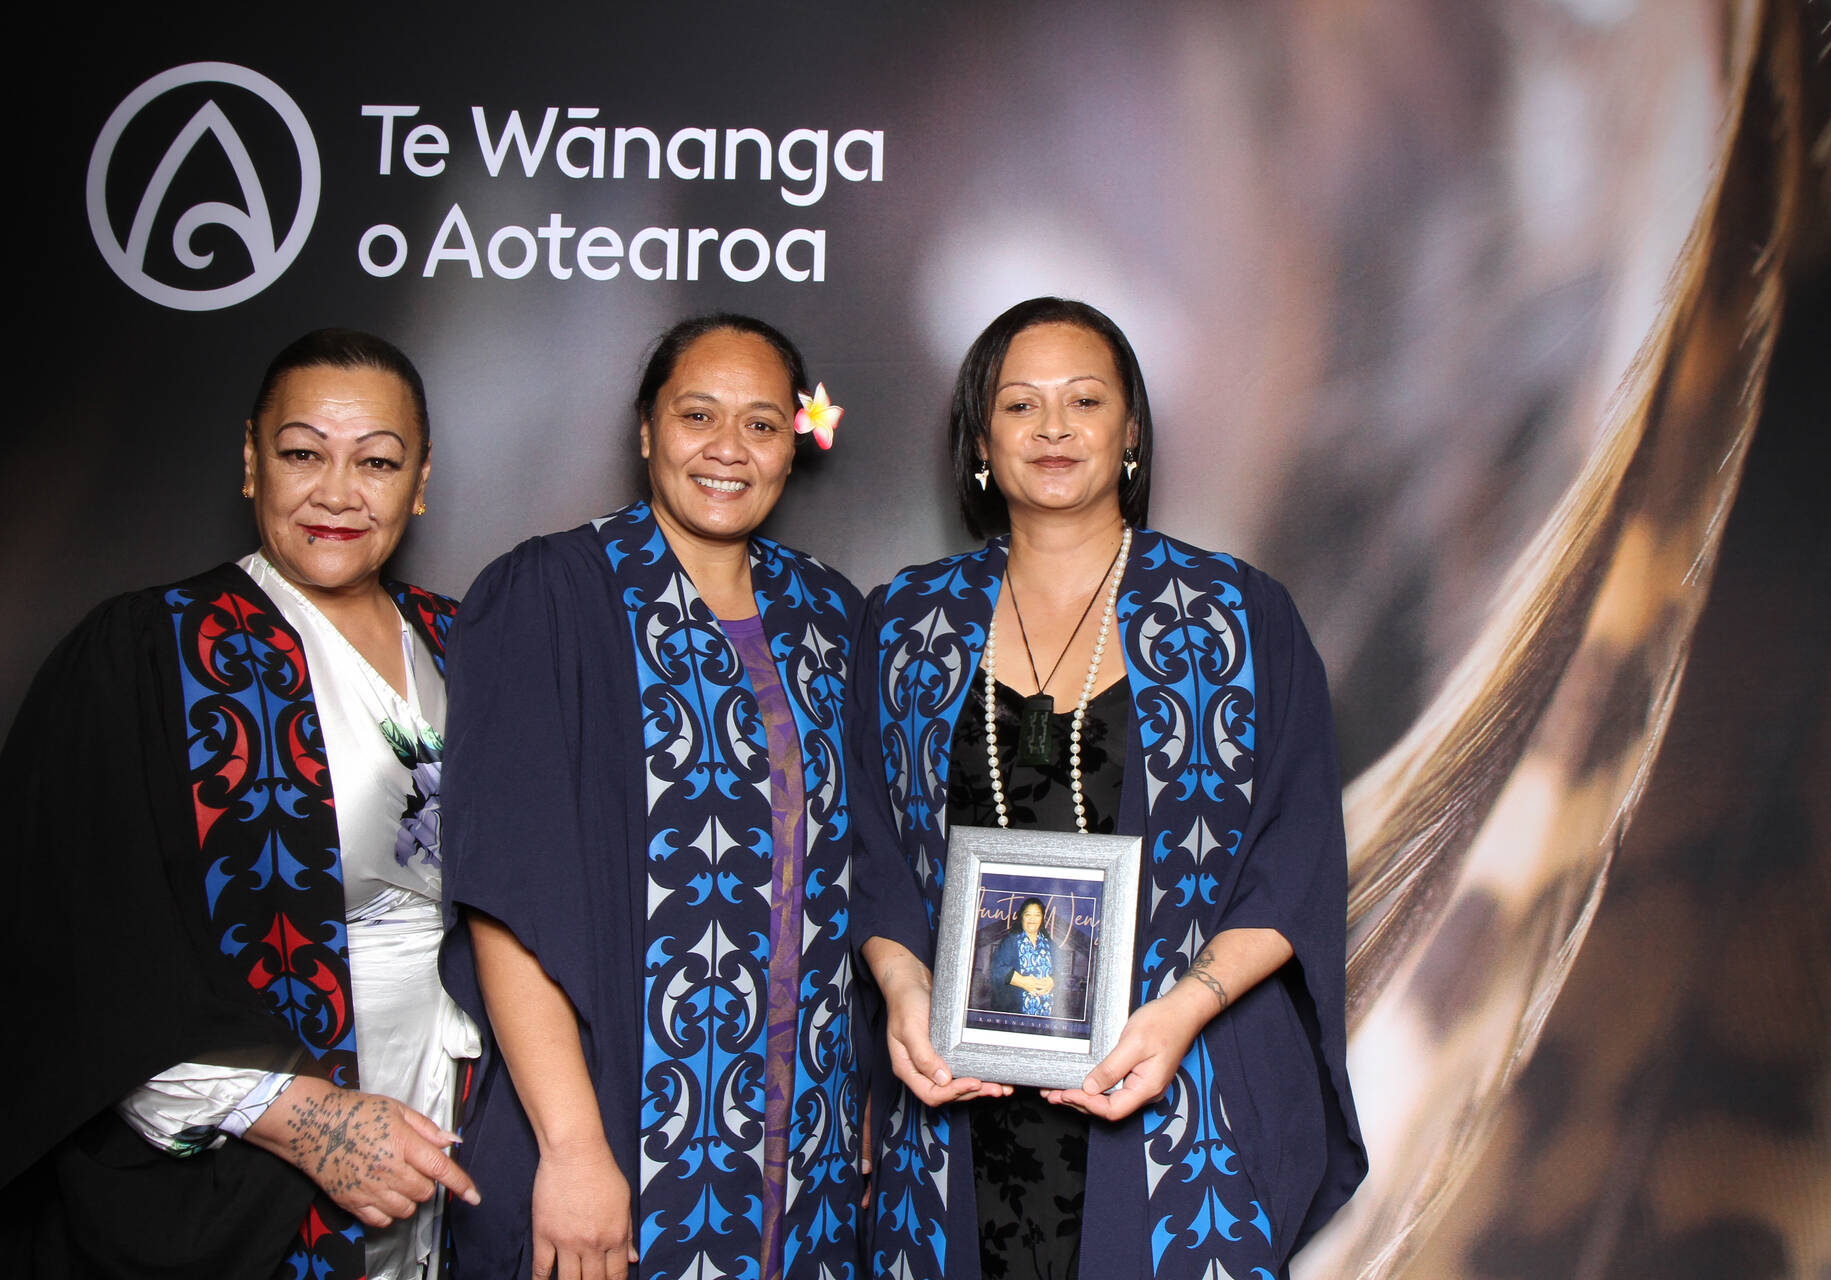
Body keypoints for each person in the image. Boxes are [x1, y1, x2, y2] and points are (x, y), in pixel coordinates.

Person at [853, 297, 1367, 1279]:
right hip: (957, 1119)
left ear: (1130, 430)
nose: (1053, 427)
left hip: (1174, 1101)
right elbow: (872, 851)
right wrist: (904, 986)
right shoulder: (908, 623)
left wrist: (1182, 1013)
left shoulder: (1235, 618)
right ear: (979, 439)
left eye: (1084, 400)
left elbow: (1295, 856)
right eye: (1020, 404)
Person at [0, 329, 482, 1280]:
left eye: (376, 462)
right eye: (303, 453)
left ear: (420, 482)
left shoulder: (469, 643)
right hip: (256, 1164)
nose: (337, 494)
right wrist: (299, 1118)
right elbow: (66, 951)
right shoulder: (153, 651)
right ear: (252, 462)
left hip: (458, 1119)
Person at [440, 314, 866, 1280]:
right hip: (611, 1133)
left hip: (809, 1149)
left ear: (794, 443)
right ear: (646, 430)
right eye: (697, 415)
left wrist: (865, 1095)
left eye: (762, 424)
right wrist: (572, 1148)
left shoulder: (831, 617)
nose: (728, 449)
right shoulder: (551, 594)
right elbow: (505, 895)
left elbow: (857, 881)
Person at [986, 898, 1057, 1015]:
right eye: (1028, 915)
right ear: (1021, 917)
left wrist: (1052, 980)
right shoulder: (1010, 941)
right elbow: (996, 969)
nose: (1032, 919)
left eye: (1037, 915)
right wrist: (1021, 981)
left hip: (1046, 1011)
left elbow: (1059, 971)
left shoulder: (1049, 943)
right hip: (1017, 1013)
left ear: (1042, 918)